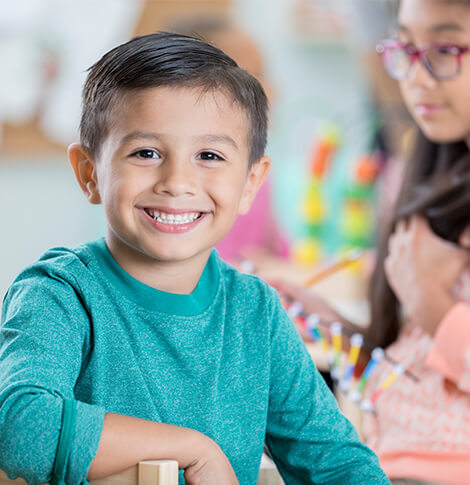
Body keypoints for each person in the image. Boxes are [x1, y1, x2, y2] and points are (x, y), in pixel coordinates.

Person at [0, 33, 388, 485]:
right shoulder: (59, 293)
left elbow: (339, 465)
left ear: (250, 182)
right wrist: (193, 448)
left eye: (209, 155)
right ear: (90, 174)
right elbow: (21, 428)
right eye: (146, 153)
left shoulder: (255, 313)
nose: (177, 181)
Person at [275, 1, 470, 484]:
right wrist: (336, 329)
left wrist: (433, 307)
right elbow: (422, 379)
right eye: (406, 47)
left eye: (445, 49)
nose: (417, 77)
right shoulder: (434, 179)